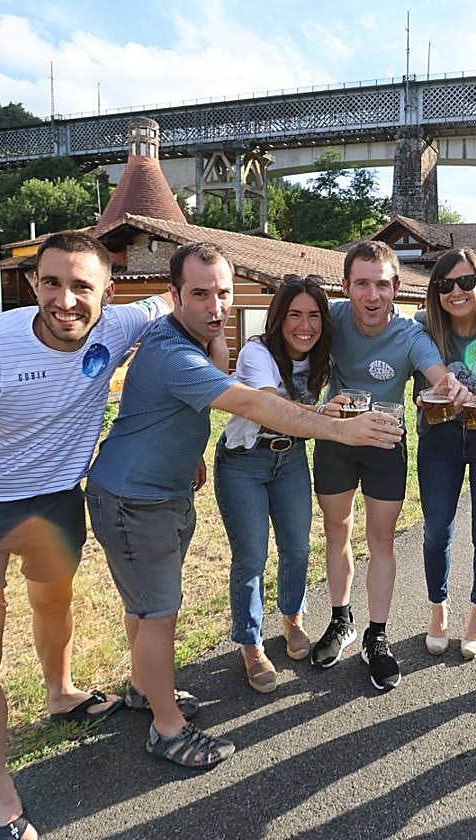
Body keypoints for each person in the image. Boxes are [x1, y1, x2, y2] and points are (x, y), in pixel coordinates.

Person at [85, 243, 402, 768]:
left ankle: (146, 689)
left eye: (224, 293)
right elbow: (254, 403)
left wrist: (189, 452)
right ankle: (168, 730)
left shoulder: (189, 338)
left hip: (159, 491)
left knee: (145, 607)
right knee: (159, 613)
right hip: (135, 498)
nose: (215, 306)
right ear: (175, 295)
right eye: (201, 294)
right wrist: (339, 429)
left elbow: (178, 408)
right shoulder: (175, 353)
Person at [0, 231, 171, 839]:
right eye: (51, 283)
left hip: (57, 499)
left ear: (108, 294)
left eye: (82, 286)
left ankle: (60, 693)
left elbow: (176, 298)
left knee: (54, 601)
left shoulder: (121, 324)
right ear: (33, 284)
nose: (65, 300)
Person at [310, 240, 467, 692]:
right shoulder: (331, 318)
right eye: (361, 284)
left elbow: (438, 375)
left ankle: (377, 636)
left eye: (381, 284)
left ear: (396, 287)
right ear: (345, 287)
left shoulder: (410, 335)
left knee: (381, 539)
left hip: (385, 442)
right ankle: (341, 620)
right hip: (337, 438)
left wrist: (451, 387)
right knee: (337, 531)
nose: (372, 295)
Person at [214, 276, 338, 693]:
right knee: (251, 557)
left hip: (291, 459)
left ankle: (292, 620)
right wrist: (325, 415)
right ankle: (251, 645)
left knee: (297, 547)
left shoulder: (321, 356)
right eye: (294, 315)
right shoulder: (257, 352)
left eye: (314, 316)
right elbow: (269, 405)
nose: (305, 326)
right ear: (278, 318)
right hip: (244, 461)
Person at [413, 248, 476, 660]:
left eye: (466, 281)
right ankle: (438, 609)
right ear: (436, 292)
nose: (456, 291)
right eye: (445, 284)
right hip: (439, 439)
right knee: (437, 530)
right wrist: (423, 397)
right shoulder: (424, 329)